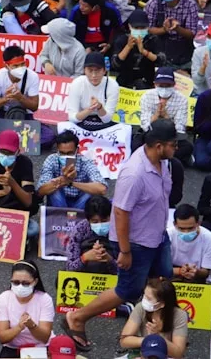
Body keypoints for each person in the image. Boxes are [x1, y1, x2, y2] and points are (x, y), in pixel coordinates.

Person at [61, 120, 178, 350]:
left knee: (161, 282)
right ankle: (77, 317)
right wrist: (124, 251)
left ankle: (154, 334)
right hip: (136, 243)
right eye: (173, 144)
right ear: (158, 145)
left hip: (158, 236)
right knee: (128, 290)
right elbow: (120, 212)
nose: (177, 148)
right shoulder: (133, 174)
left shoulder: (164, 163)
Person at [0, 261, 55, 356]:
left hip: (39, 347)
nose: (20, 286)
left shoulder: (45, 299)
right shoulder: (3, 299)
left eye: (25, 283)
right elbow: (2, 338)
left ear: (35, 282)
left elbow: (45, 338)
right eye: (16, 282)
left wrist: (32, 326)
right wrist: (19, 327)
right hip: (13, 348)